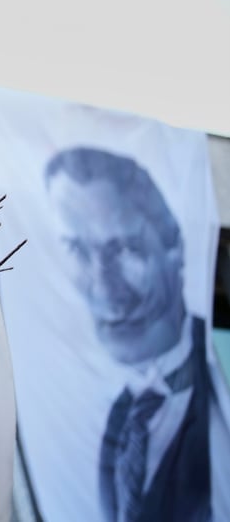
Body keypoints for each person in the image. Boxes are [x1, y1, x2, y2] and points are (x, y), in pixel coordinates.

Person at [44, 146, 212, 522]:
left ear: (174, 244)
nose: (104, 289)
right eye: (76, 249)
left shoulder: (219, 389)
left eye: (121, 248)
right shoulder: (118, 410)